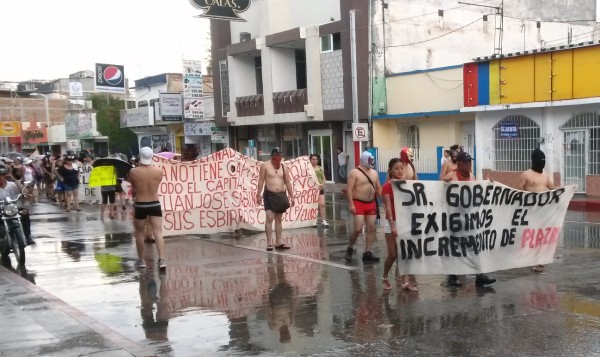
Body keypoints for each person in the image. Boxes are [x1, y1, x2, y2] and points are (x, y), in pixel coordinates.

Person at [444, 151, 496, 286]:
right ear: (459, 163)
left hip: (469, 217)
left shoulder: (472, 176)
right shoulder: (451, 176)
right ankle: (452, 275)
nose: (468, 164)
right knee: (455, 246)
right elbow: (439, 192)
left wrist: (489, 185)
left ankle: (479, 275)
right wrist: (444, 184)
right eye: (465, 162)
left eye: (469, 162)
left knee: (475, 245)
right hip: (454, 218)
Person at [382, 148, 419, 291]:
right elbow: (388, 208)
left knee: (405, 254)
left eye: (401, 168)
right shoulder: (387, 187)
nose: (399, 171)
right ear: (390, 171)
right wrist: (392, 226)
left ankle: (405, 282)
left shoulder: (406, 186)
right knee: (392, 255)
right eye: (396, 169)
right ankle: (385, 277)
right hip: (392, 222)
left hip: (406, 222)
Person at [516, 148, 555, 273]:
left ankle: (540, 259)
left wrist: (568, 190)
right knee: (531, 236)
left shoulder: (545, 176)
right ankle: (531, 259)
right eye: (540, 160)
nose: (542, 163)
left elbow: (553, 189)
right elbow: (517, 193)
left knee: (541, 236)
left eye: (544, 160)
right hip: (530, 212)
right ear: (534, 161)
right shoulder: (526, 175)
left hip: (543, 212)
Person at [128, 146, 166, 271]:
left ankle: (141, 260)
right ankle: (161, 260)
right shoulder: (159, 171)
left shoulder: (133, 172)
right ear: (152, 157)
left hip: (141, 204)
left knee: (139, 233)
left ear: (140, 157)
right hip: (155, 203)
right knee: (158, 232)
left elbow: (134, 188)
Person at [344, 151, 381, 263]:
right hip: (358, 202)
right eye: (370, 160)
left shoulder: (374, 173)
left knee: (372, 228)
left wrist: (385, 200)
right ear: (364, 160)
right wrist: (351, 204)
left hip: (371, 203)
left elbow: (378, 188)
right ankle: (350, 247)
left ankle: (367, 252)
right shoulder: (354, 172)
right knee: (358, 229)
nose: (372, 162)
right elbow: (349, 188)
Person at [256, 147, 296, 251]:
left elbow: (287, 182)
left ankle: (278, 241)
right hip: (269, 195)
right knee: (269, 217)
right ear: (273, 156)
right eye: (277, 156)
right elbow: (261, 180)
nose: (279, 157)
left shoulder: (283, 166)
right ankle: (269, 242)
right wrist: (258, 195)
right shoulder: (265, 166)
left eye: (280, 156)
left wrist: (292, 196)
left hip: (280, 195)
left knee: (278, 219)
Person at [0, 164, 34, 245]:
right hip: (1, 209)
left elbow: (25, 192)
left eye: (2, 176)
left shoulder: (12, 184)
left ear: (6, 176)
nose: (0, 178)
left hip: (14, 207)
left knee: (25, 212)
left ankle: (27, 236)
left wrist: (15, 180)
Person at [310, 154, 329, 227]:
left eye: (316, 159)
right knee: (312, 205)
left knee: (322, 204)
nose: (315, 161)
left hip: (320, 189)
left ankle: (323, 220)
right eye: (313, 159)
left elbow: (323, 177)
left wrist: (322, 184)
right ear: (310, 160)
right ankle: (312, 220)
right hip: (312, 190)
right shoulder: (308, 169)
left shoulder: (320, 168)